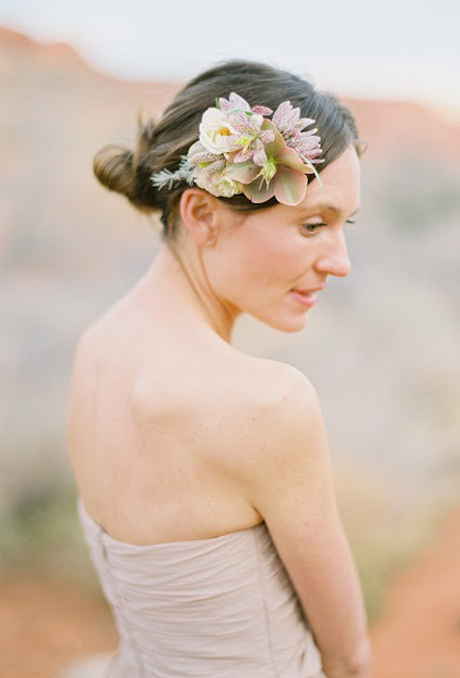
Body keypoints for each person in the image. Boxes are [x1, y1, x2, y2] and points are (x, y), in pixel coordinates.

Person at [66, 59, 371, 678]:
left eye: (345, 226)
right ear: (202, 215)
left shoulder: (97, 348)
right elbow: (348, 655)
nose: (340, 262)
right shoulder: (265, 404)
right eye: (313, 224)